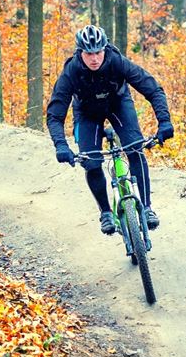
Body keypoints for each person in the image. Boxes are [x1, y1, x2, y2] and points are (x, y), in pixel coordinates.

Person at [46, 25, 175, 235]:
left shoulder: (117, 61)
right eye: (89, 53)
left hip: (118, 105)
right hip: (87, 114)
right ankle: (106, 212)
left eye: (98, 52)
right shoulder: (72, 71)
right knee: (92, 162)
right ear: (80, 52)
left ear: (105, 49)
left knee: (135, 150)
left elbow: (153, 88)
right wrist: (61, 145)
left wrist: (165, 122)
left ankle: (147, 207)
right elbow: (55, 113)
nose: (95, 58)